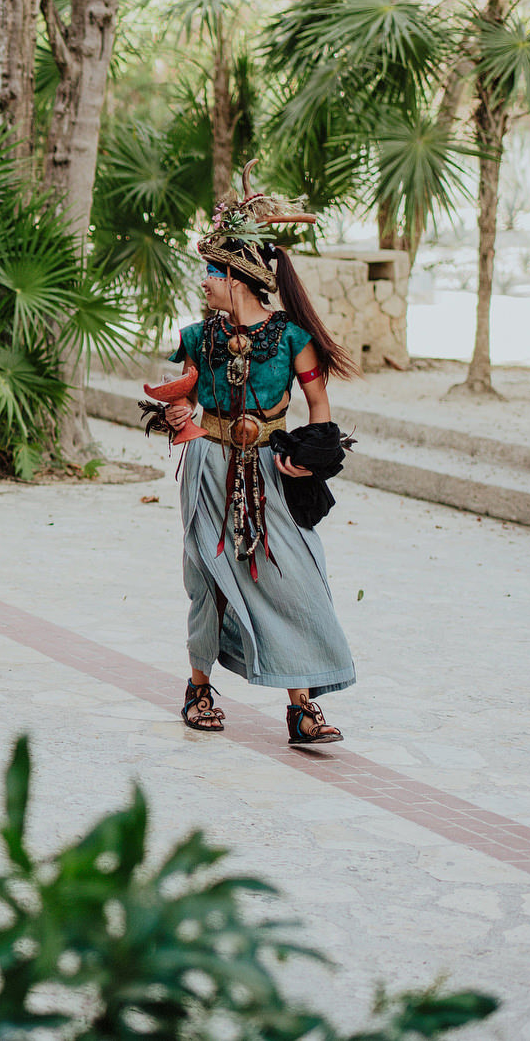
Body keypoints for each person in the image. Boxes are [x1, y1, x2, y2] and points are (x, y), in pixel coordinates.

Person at [163, 176, 361, 745]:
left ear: (240, 277)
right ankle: (199, 687)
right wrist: (177, 415)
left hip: (270, 472)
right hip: (207, 467)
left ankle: (303, 705)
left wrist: (311, 459)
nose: (205, 281)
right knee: (207, 576)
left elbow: (320, 407)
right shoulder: (196, 336)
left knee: (292, 575)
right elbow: (179, 393)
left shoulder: (295, 339)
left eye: (213, 272)